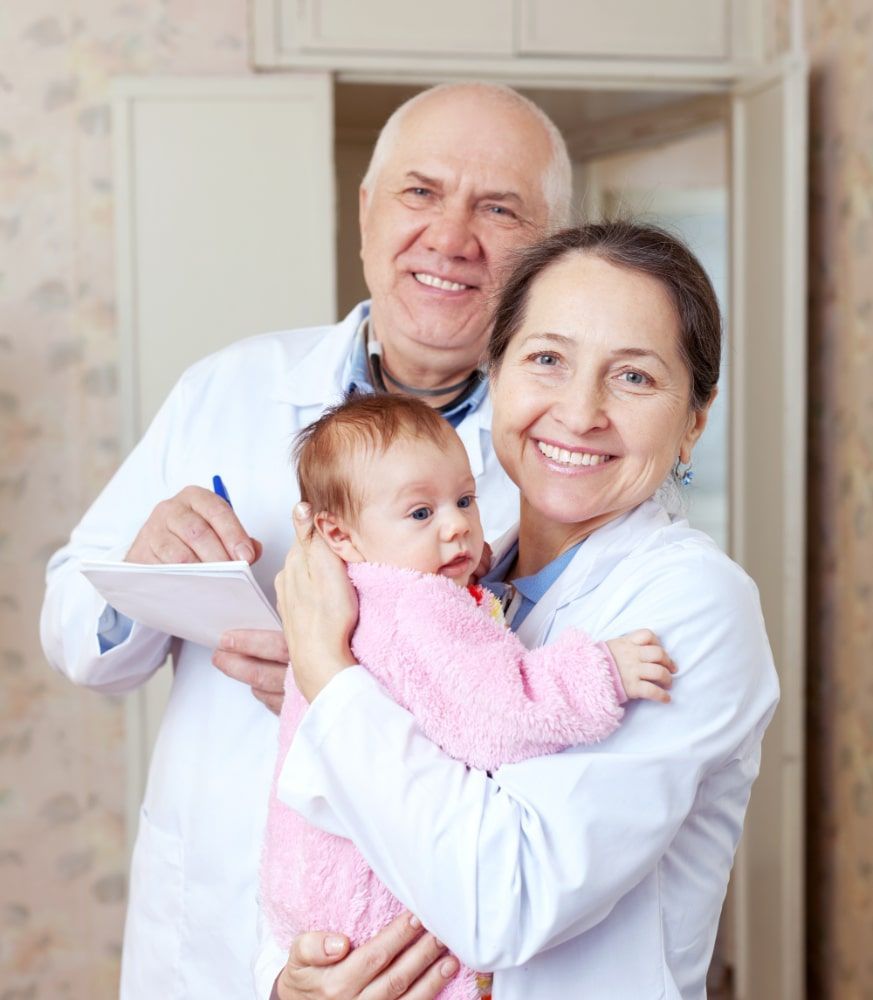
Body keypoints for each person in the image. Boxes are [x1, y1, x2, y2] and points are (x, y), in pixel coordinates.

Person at [39, 82, 573, 999]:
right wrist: (143, 558)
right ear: (365, 212)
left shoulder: (562, 458)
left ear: (549, 252)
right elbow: (76, 635)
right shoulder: (229, 387)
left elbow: (547, 737)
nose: (450, 238)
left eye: (498, 207)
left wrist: (350, 688)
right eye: (419, 192)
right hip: (206, 934)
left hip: (398, 949)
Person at [273, 221, 780, 999]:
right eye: (547, 360)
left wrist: (327, 673)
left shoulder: (693, 604)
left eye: (634, 378)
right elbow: (311, 836)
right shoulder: (446, 584)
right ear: (495, 372)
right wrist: (296, 985)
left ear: (694, 421)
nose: (579, 413)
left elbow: (497, 903)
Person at [260, 392, 676, 1000]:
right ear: (337, 534)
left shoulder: (362, 596)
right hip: (376, 909)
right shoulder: (415, 607)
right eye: (420, 514)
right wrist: (600, 673)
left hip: (314, 903)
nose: (456, 524)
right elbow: (498, 714)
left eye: (463, 500)